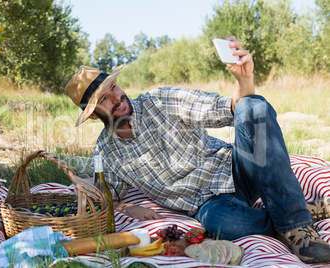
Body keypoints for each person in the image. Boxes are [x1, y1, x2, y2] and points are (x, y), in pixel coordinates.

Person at [65, 36, 330, 264]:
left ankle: (298, 228)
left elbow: (233, 108)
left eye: (113, 87)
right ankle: (300, 209)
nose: (117, 99)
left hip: (238, 169)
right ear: (92, 115)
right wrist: (126, 207)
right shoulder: (106, 152)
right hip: (207, 204)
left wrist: (244, 79)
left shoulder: (160, 100)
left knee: (254, 107)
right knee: (222, 225)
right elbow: (103, 198)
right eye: (104, 99)